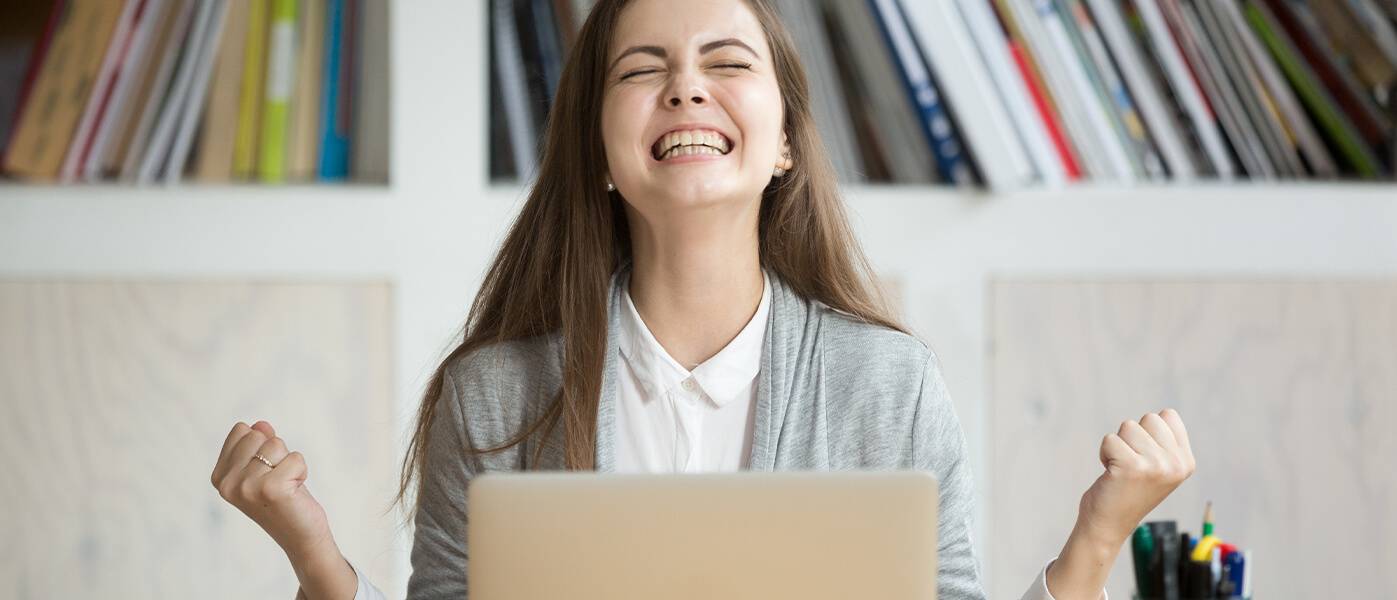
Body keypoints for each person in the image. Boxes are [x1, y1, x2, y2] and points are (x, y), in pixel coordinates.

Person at [208, 1, 1196, 598]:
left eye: (726, 63)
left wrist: (1099, 532)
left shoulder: (886, 385)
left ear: (781, 144)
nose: (685, 88)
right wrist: (314, 556)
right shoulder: (495, 394)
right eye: (644, 70)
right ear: (597, 152)